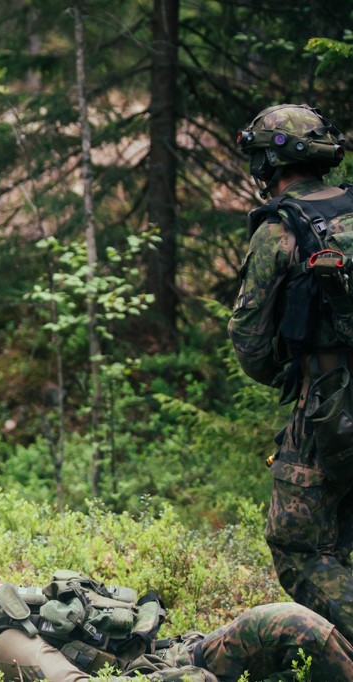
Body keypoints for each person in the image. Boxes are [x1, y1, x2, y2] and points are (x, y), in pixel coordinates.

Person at [229, 103, 353, 641]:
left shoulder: (279, 231)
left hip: (328, 404)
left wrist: (291, 373)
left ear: (269, 164)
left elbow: (249, 340)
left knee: (300, 545)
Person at [0, 553, 353, 681]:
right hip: (169, 671)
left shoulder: (18, 615)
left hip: (170, 655)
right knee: (291, 627)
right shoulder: (10, 648)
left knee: (286, 623)